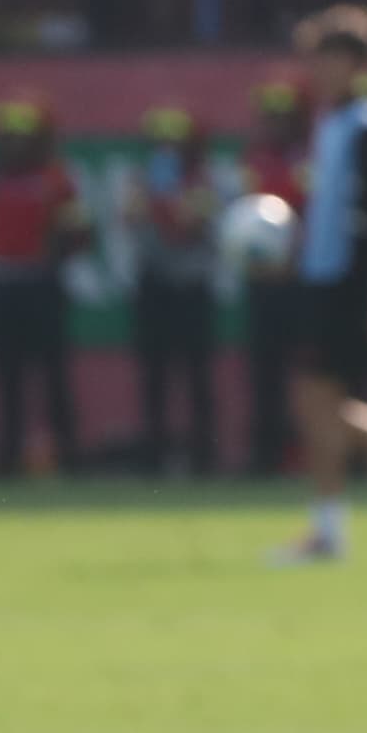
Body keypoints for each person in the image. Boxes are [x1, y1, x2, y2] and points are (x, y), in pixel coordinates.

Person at [269, 10, 367, 564]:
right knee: (322, 405)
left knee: (318, 402)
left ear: (357, 64)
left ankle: (335, 529)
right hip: (323, 279)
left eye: (331, 59)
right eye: (316, 60)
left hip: (350, 283)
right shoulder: (329, 124)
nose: (320, 71)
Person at [0, 99, 87, 478]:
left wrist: (57, 248)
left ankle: (68, 453)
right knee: (7, 377)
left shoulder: (58, 181)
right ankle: (7, 456)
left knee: (54, 375)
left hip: (42, 283)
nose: (15, 146)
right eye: (9, 137)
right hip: (4, 282)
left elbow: (80, 233)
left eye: (25, 137)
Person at [124, 105, 223, 477]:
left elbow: (192, 229)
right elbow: (130, 223)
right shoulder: (140, 178)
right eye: (162, 142)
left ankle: (204, 456)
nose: (168, 149)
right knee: (154, 376)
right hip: (154, 285)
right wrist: (146, 197)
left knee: (197, 375)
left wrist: (171, 201)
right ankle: (154, 455)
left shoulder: (204, 181)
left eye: (176, 142)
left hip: (192, 286)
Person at [240, 80, 311, 480]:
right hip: (262, 283)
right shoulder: (255, 159)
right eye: (271, 116)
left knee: (307, 375)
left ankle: (304, 451)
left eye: (283, 116)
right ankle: (263, 456)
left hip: (299, 282)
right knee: (263, 373)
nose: (276, 124)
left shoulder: (309, 156)